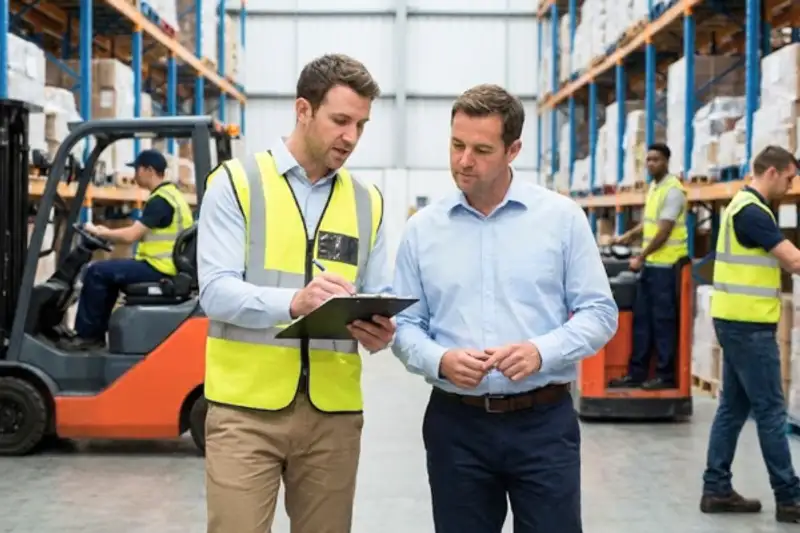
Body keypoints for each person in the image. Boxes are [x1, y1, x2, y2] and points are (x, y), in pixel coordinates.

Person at [390, 83, 618, 533]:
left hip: (543, 425)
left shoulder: (561, 219)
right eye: (456, 145)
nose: (463, 161)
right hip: (456, 426)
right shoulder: (424, 231)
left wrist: (541, 352)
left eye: (481, 149)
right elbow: (405, 324)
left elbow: (599, 312)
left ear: (513, 149)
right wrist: (440, 360)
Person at [198, 53, 395, 533]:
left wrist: (382, 328)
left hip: (334, 415)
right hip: (245, 412)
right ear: (303, 110)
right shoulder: (236, 185)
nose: (351, 137)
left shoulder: (368, 201)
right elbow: (215, 292)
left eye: (361, 125)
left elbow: (379, 292)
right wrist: (293, 302)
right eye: (341, 120)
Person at [701, 145, 800, 523]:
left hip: (736, 322)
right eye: (789, 177)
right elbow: (792, 259)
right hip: (749, 327)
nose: (790, 185)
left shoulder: (742, 206)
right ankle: (790, 498)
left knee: (733, 408)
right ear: (772, 172)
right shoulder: (753, 213)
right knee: (772, 411)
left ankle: (716, 488)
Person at [62, 149, 193, 350]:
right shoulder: (173, 196)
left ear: (148, 170)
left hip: (160, 268)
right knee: (109, 275)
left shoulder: (160, 201)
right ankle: (95, 335)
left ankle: (88, 336)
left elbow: (131, 236)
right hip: (167, 266)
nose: (134, 176)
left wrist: (102, 231)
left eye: (137, 170)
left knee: (96, 272)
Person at [607, 143, 688, 390]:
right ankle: (637, 373)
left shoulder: (674, 190)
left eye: (656, 160)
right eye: (649, 160)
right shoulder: (655, 188)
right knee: (642, 322)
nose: (651, 164)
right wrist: (627, 237)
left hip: (666, 267)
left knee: (663, 323)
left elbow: (663, 230)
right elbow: (648, 224)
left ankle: (664, 375)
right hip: (651, 267)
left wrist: (640, 256)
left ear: (666, 161)